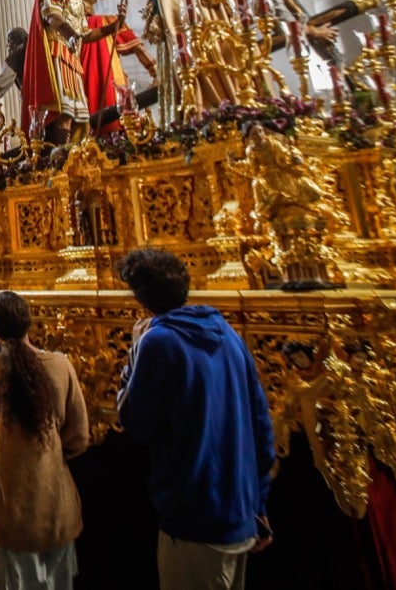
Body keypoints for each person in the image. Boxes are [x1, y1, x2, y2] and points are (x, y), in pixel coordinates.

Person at [114, 248, 276, 590]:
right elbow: (261, 420)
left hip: (194, 515)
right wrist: (258, 503)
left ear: (140, 298)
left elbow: (136, 422)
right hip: (241, 510)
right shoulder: (226, 331)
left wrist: (134, 351)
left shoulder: (159, 341)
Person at [0, 292, 88, 590]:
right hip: (54, 493)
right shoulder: (60, 364)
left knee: (18, 580)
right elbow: (79, 435)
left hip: (12, 495)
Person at [25, 0, 126, 145]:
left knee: (78, 117)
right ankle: (61, 159)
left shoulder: (78, 0)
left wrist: (114, 25)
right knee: (63, 112)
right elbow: (52, 15)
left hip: (72, 58)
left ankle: (73, 155)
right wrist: (70, 33)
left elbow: (86, 35)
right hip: (57, 52)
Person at [78, 0, 155, 135]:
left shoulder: (70, 33)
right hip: (111, 91)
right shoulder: (109, 21)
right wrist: (155, 72)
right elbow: (137, 47)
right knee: (121, 133)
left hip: (83, 93)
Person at [0, 27, 29, 121]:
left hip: (31, 99)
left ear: (14, 41)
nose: (7, 46)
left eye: (8, 41)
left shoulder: (17, 55)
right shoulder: (31, 51)